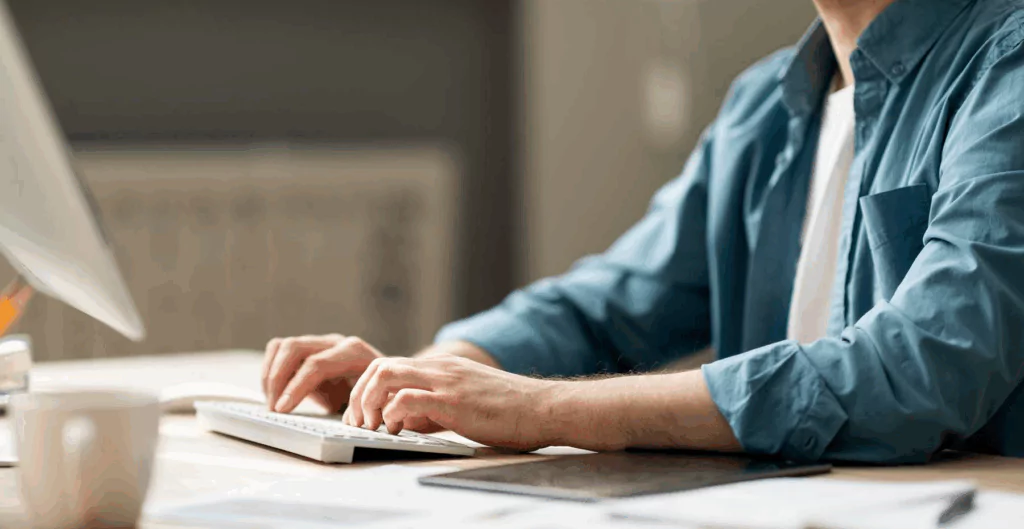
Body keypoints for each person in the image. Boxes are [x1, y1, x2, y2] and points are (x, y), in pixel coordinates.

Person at [261, 0, 1024, 462]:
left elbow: (928, 361)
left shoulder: (1007, 65)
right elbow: (612, 299)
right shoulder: (764, 105)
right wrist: (418, 381)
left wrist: (537, 409)